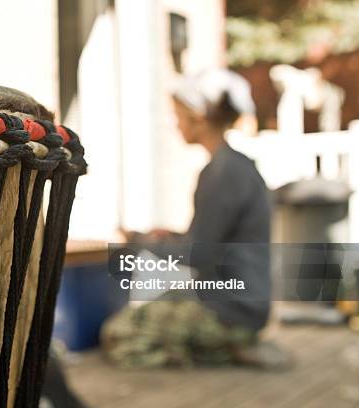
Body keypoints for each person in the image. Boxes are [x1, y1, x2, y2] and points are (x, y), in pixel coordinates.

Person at [102, 69, 291, 370]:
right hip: (240, 305)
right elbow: (209, 242)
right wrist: (167, 237)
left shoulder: (222, 172)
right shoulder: (234, 166)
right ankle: (233, 345)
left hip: (232, 312)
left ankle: (228, 348)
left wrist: (138, 242)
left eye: (178, 115)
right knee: (164, 301)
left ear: (199, 116)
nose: (175, 123)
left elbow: (198, 254)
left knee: (118, 335)